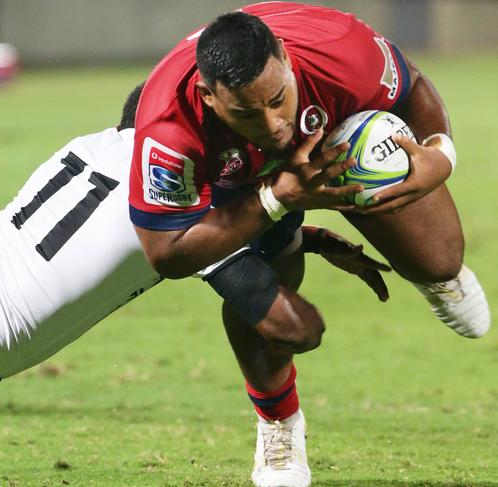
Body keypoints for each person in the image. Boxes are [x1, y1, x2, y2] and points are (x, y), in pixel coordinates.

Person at [0, 85, 389, 487]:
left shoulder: (94, 144)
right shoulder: (169, 201)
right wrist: (287, 202)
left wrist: (305, 237)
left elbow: (96, 232)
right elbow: (294, 330)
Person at [128, 3, 491, 487]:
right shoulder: (170, 127)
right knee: (288, 327)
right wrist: (278, 201)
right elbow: (167, 254)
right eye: (247, 112)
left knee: (439, 260)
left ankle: (432, 277)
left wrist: (441, 153)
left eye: (278, 98)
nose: (274, 123)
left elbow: (413, 86)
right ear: (208, 97)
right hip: (228, 190)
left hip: (326, 140)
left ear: (284, 57)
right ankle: (278, 426)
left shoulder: (338, 50)